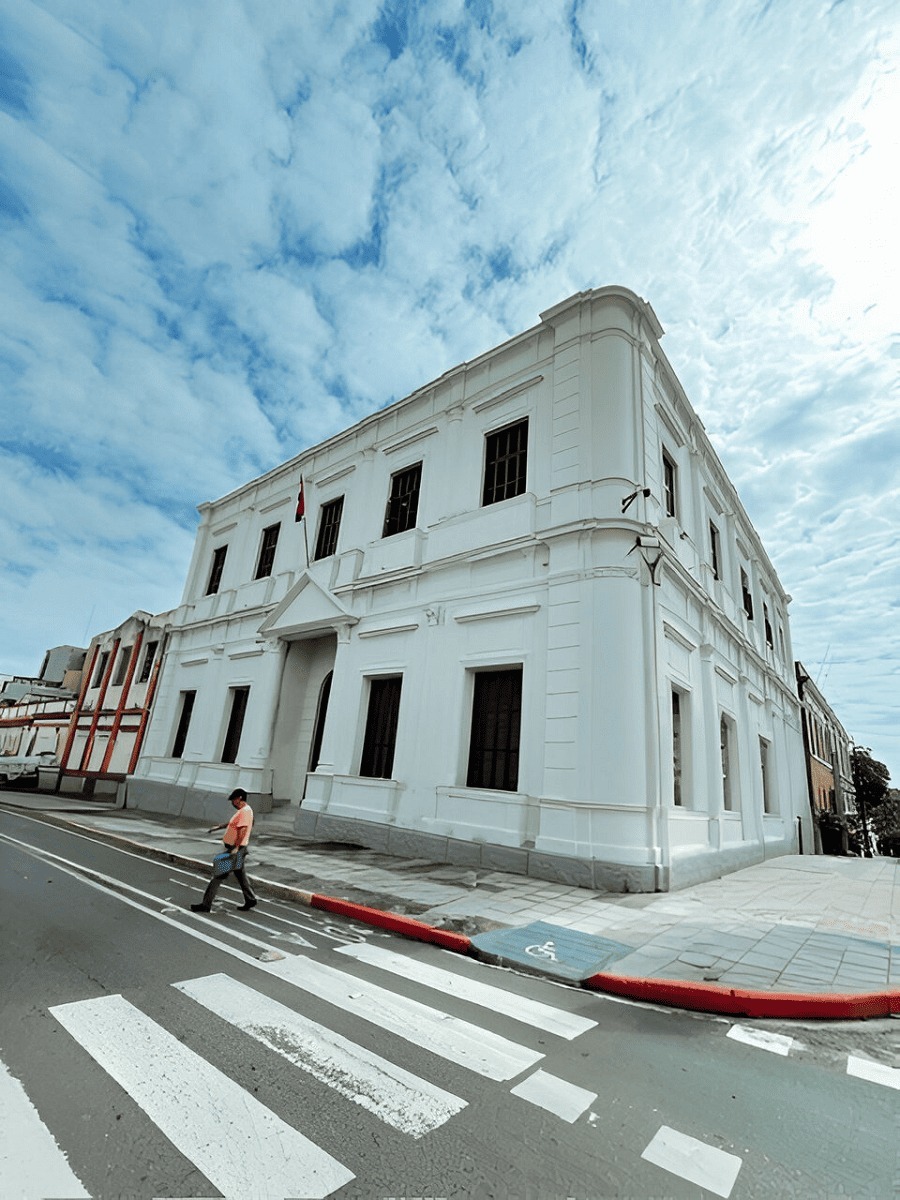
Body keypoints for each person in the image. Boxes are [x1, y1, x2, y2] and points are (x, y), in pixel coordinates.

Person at [191, 788, 257, 913]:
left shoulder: (245, 812)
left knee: (218, 875)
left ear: (240, 798)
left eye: (233, 800)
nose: (232, 802)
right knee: (240, 874)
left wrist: (236, 848)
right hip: (239, 849)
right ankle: (250, 899)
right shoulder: (244, 811)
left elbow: (242, 830)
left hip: (236, 849)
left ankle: (206, 904)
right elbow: (235, 823)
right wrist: (219, 827)